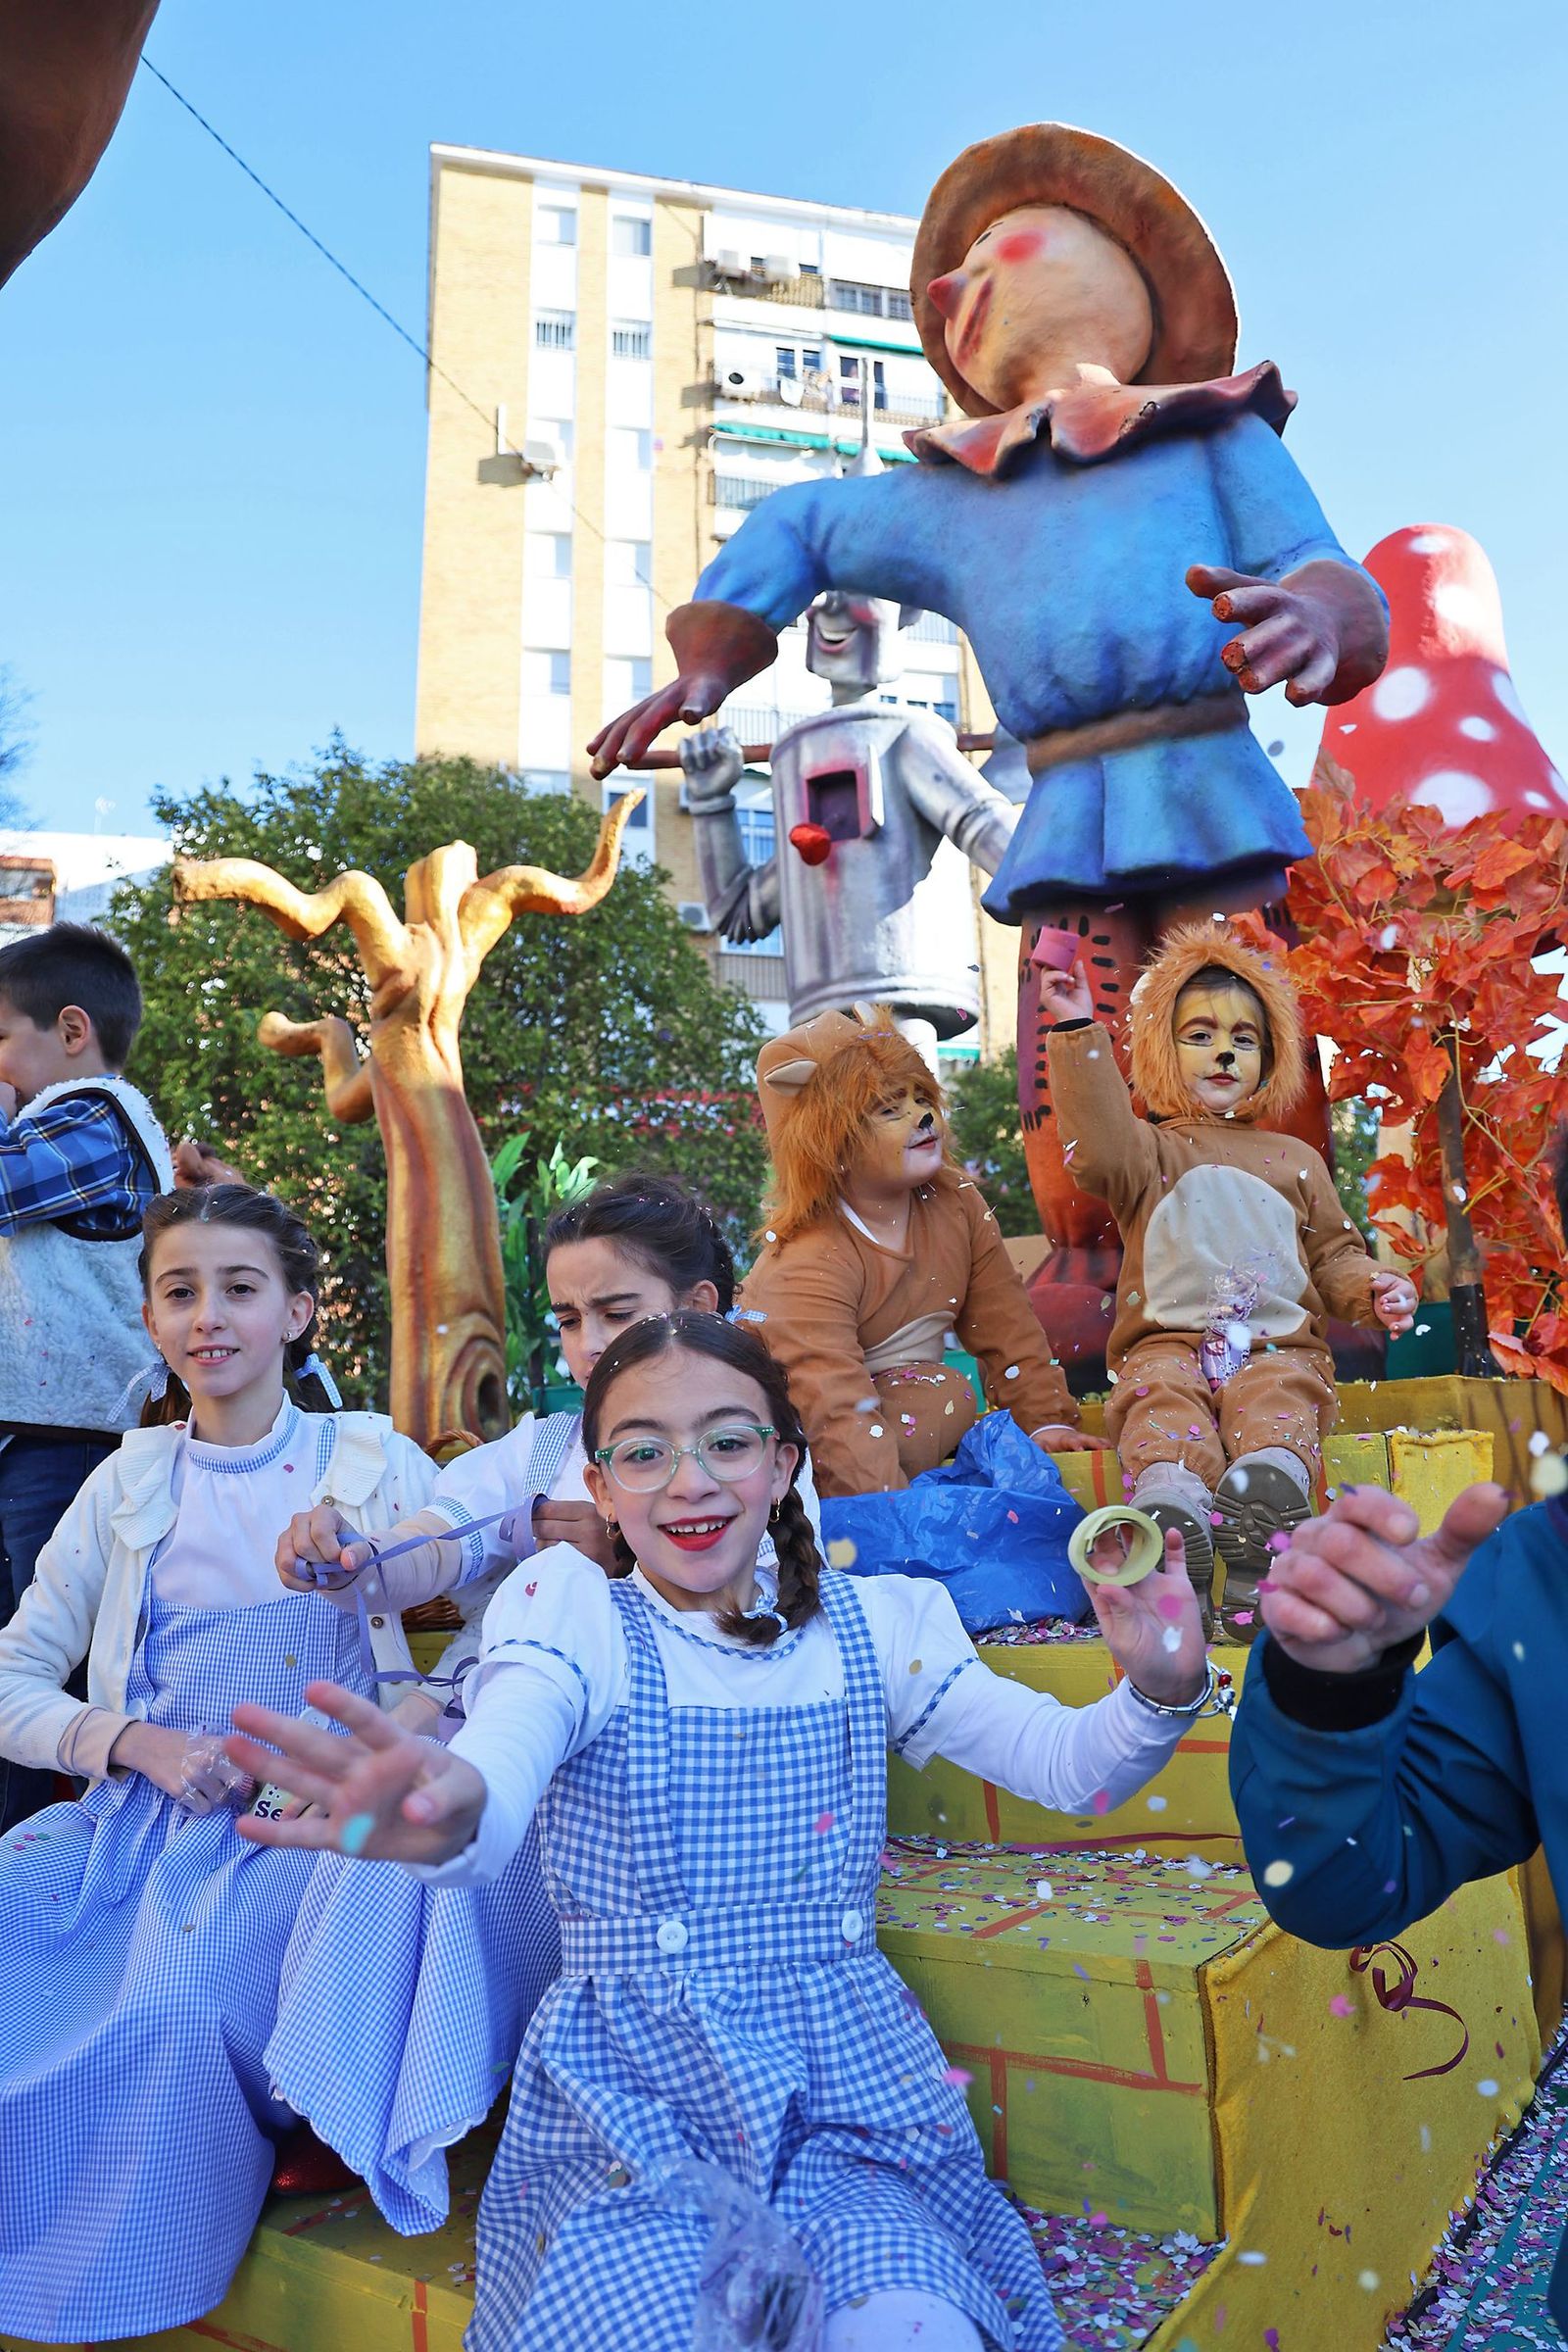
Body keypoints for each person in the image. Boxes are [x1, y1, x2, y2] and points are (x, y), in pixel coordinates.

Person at [229, 1308, 1214, 2352]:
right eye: (643, 1453)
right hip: (634, 2112)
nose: (688, 1479)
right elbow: (497, 1770)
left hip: (849, 2102)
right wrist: (443, 1814)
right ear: (599, 1488)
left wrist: (1157, 1687)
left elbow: (1067, 1766)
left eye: (728, 1442)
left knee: (912, 2330)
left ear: (783, 1463)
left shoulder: (874, 1624)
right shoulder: (574, 1616)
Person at [259, 1172, 817, 2224]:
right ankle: (348, 2105)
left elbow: (777, 1610)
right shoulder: (541, 1450)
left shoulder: (752, 1453)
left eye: (617, 1312)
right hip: (499, 1724)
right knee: (387, 1843)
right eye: (569, 1319)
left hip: (643, 1753)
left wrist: (630, 1552)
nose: (586, 1342)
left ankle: (413, 2101)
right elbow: (435, 1538)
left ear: (699, 1313)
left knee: (461, 1840)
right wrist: (351, 1547)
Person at [0, 1183, 437, 2343]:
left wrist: (381, 1605)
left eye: (241, 1288)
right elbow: (12, 1680)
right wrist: (126, 1742)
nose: (210, 1316)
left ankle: (131, 2265)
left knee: (180, 2003)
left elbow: (491, 1599)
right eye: (180, 1291)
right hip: (132, 1828)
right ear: (149, 1319)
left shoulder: (368, 1460)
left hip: (301, 1831)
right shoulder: (126, 1484)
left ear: (298, 1313)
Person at [1036, 923, 1416, 1631]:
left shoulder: (1296, 1159)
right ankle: (1172, 1503)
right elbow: (1095, 1146)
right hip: (1168, 1342)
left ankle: (1266, 1497)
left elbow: (1333, 1256)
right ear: (1159, 1049)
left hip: (1273, 1345)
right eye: (1200, 1034)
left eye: (1244, 1040)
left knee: (1278, 1397)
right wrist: (1077, 1024)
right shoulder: (1145, 1152)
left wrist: (1372, 1287)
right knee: (1159, 1402)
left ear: (1269, 1060)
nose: (1223, 1051)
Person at [739, 1006, 1102, 1499]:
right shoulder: (810, 1257)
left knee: (942, 1390)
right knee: (940, 1392)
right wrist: (883, 1519)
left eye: (921, 1096)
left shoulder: (957, 1204)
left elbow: (1007, 1325)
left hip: (891, 1397)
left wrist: (1043, 1423)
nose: (921, 1116)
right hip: (784, 1426)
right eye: (890, 1109)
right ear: (830, 1143)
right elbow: (833, 1406)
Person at [0, 921, 173, 1829]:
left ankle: (74, 1840)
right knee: (16, 1656)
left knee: (56, 1656)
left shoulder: (93, 1116)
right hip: (33, 1434)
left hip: (73, 1444)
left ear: (72, 1032)